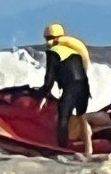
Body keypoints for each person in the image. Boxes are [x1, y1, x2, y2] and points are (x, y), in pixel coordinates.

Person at [36, 22, 94, 154]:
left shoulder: (53, 51)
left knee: (63, 117)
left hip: (71, 88)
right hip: (84, 87)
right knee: (81, 116)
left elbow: (49, 78)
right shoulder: (74, 51)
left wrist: (43, 93)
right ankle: (88, 150)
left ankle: (62, 150)